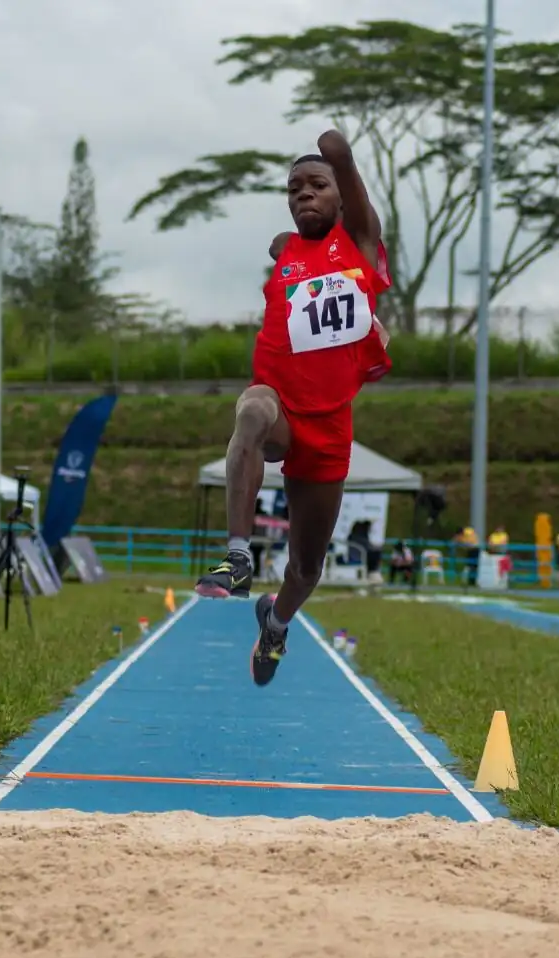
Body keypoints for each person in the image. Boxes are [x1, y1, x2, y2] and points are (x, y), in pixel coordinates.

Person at [193, 128, 391, 686]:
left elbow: (346, 178)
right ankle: (238, 557)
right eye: (295, 187)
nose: (304, 193)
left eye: (317, 184)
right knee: (251, 409)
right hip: (281, 405)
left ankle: (276, 621)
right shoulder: (286, 252)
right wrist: (288, 241)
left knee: (306, 569)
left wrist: (340, 158)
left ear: (339, 194)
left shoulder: (358, 239)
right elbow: (287, 243)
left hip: (328, 424)